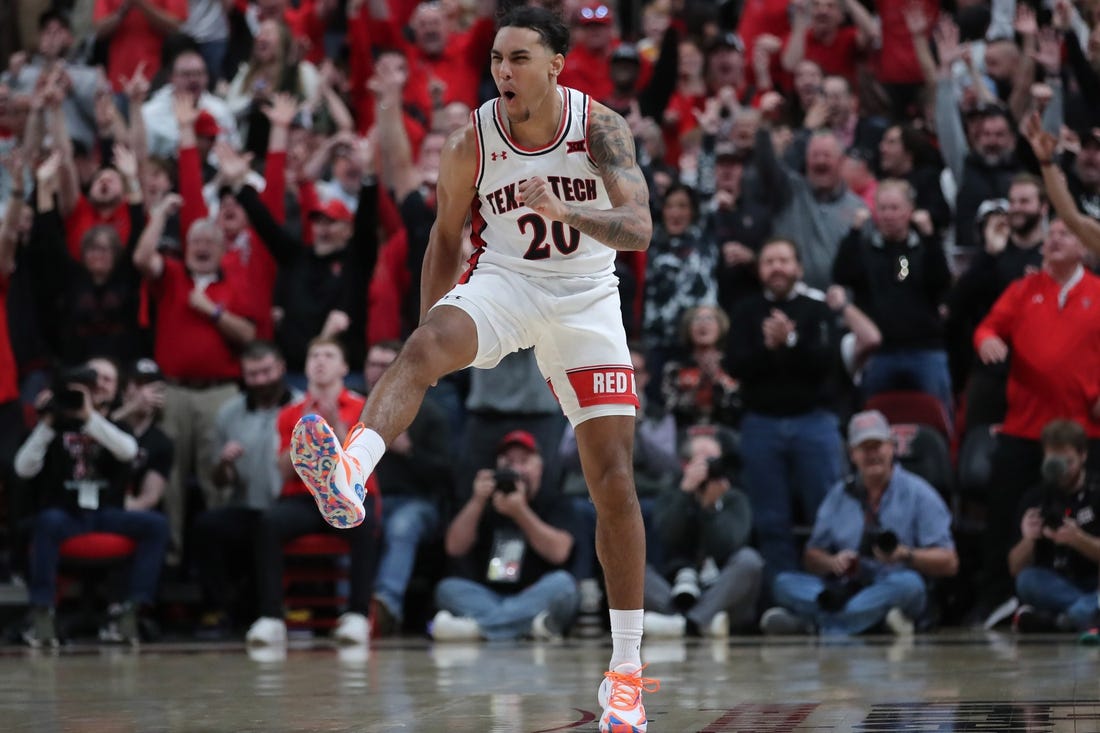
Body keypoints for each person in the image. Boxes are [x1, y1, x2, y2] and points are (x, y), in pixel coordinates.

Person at [287, 8, 659, 731]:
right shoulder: (471, 142)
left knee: (613, 481)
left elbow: (641, 228)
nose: (503, 72)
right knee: (423, 346)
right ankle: (349, 472)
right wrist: (434, 326)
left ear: (556, 64)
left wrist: (567, 210)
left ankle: (627, 674)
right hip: (507, 282)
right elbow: (444, 237)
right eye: (495, 59)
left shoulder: (601, 127)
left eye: (519, 58)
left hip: (586, 297)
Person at [13, 358, 170, 646]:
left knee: (156, 525)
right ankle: (42, 612)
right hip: (65, 513)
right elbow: (23, 469)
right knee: (47, 521)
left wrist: (88, 417)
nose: (97, 385)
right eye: (91, 380)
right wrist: (48, 422)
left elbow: (128, 451)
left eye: (106, 380)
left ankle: (130, 611)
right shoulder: (52, 425)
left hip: (105, 512)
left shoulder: (115, 425)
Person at [761, 410, 959, 637]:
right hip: (846, 588)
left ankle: (817, 625)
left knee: (909, 585)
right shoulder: (838, 495)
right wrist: (831, 562)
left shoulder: (920, 494)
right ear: (852, 454)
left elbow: (950, 562)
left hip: (892, 583)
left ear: (892, 447)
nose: (872, 454)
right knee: (783, 583)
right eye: (864, 448)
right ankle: (871, 622)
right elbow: (811, 556)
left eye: (878, 446)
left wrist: (905, 555)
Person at [245, 337, 380, 647]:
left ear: (345, 366)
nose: (320, 361)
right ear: (305, 366)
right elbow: (282, 470)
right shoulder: (290, 413)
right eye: (314, 355)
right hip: (303, 498)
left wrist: (337, 431)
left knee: (365, 525)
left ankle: (358, 616)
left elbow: (363, 465)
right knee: (267, 523)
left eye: (329, 355)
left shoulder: (365, 407)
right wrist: (303, 443)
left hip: (350, 494)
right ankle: (271, 618)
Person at [430, 430, 578, 641]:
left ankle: (478, 629)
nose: (516, 469)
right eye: (508, 462)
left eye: (524, 461)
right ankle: (523, 626)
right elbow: (454, 547)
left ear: (540, 467)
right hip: (488, 596)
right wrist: (477, 501)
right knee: (447, 589)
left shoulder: (554, 501)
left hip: (534, 594)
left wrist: (520, 512)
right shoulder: (483, 500)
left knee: (564, 585)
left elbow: (559, 552)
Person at [641, 432, 763, 639]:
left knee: (749, 560)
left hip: (720, 590)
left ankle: (684, 623)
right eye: (703, 461)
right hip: (673, 589)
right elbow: (668, 536)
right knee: (633, 569)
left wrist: (711, 509)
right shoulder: (670, 494)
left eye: (715, 460)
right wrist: (685, 495)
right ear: (685, 465)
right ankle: (701, 622)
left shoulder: (736, 498)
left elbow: (728, 545)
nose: (710, 467)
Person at [1009, 420, 1100, 632]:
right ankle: (1084, 613)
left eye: (1068, 462)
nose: (1062, 470)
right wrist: (1028, 539)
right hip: (1057, 583)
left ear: (1083, 455)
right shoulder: (1035, 498)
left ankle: (1061, 619)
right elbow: (1015, 568)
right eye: (1054, 462)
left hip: (1095, 580)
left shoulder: (1097, 493)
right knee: (1027, 580)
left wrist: (1078, 539)